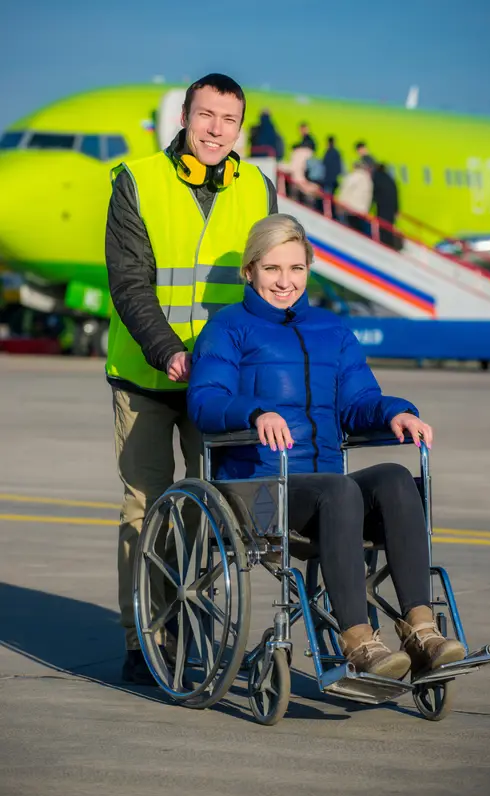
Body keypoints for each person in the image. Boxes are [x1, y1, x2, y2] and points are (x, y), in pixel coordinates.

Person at [187, 214, 466, 679]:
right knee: (339, 492)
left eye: (296, 269)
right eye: (272, 269)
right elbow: (206, 400)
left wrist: (395, 412)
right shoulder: (228, 328)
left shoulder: (332, 330)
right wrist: (255, 412)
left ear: (309, 269)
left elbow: (359, 400)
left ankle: (421, 628)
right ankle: (358, 640)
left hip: (325, 487)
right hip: (257, 490)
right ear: (249, 270)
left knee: (396, 478)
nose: (285, 281)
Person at [105, 73, 278, 685]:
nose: (215, 130)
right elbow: (129, 283)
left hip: (222, 385)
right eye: (206, 116)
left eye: (228, 121)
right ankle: (144, 638)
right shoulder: (138, 181)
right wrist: (170, 351)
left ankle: (196, 622)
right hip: (148, 376)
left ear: (239, 127)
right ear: (186, 115)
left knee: (218, 514)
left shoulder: (258, 187)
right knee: (146, 510)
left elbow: (270, 284)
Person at [338, 162, 373, 234]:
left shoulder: (352, 176)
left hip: (350, 208)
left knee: (348, 229)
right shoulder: (368, 180)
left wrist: (340, 203)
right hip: (362, 210)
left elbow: (345, 190)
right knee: (359, 230)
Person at [373, 163, 400, 249]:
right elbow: (396, 195)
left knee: (382, 226)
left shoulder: (377, 178)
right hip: (391, 207)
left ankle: (384, 244)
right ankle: (390, 245)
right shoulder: (391, 180)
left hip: (382, 206)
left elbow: (374, 193)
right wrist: (396, 209)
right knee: (389, 226)